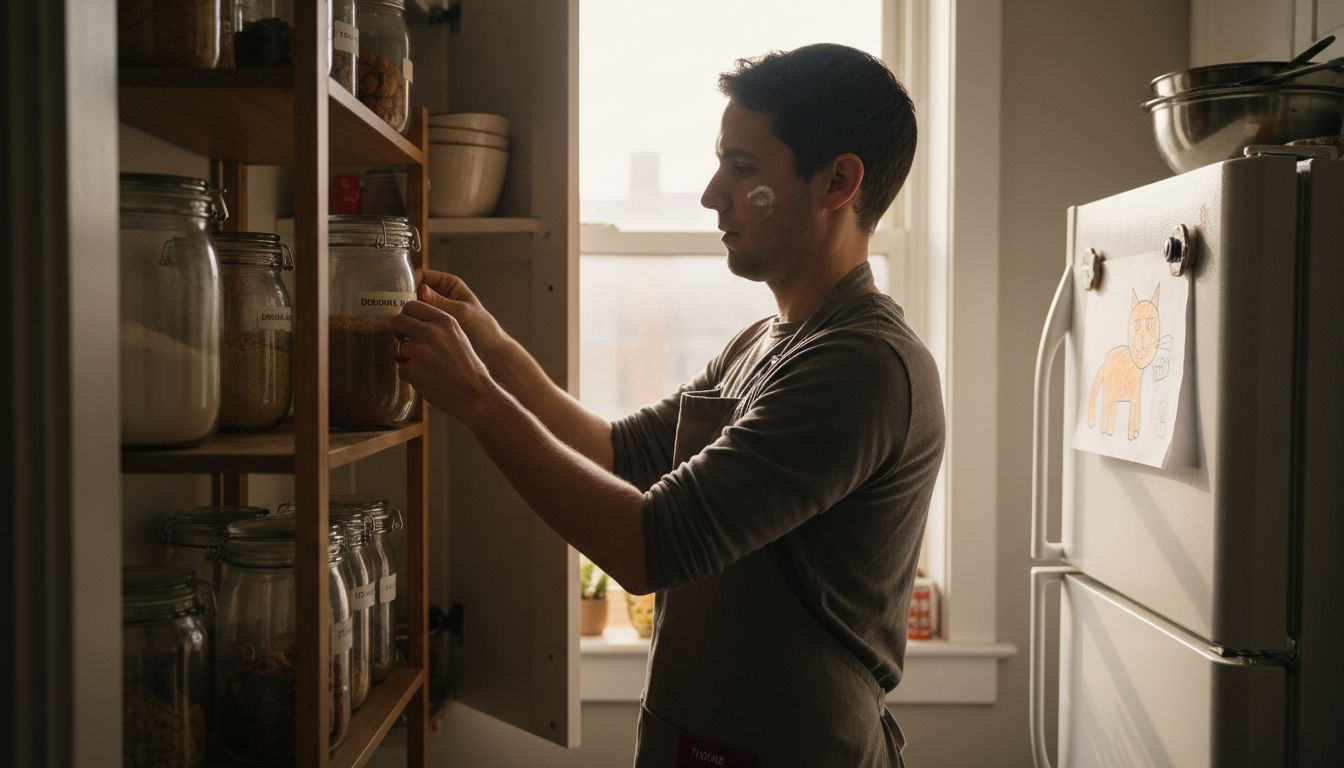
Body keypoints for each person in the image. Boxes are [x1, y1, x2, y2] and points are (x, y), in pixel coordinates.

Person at [391, 42, 944, 768]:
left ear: (838, 181)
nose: (713, 194)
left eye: (743, 169)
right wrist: (493, 347)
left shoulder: (864, 368)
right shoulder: (762, 342)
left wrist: (476, 398)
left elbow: (650, 545)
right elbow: (618, 452)